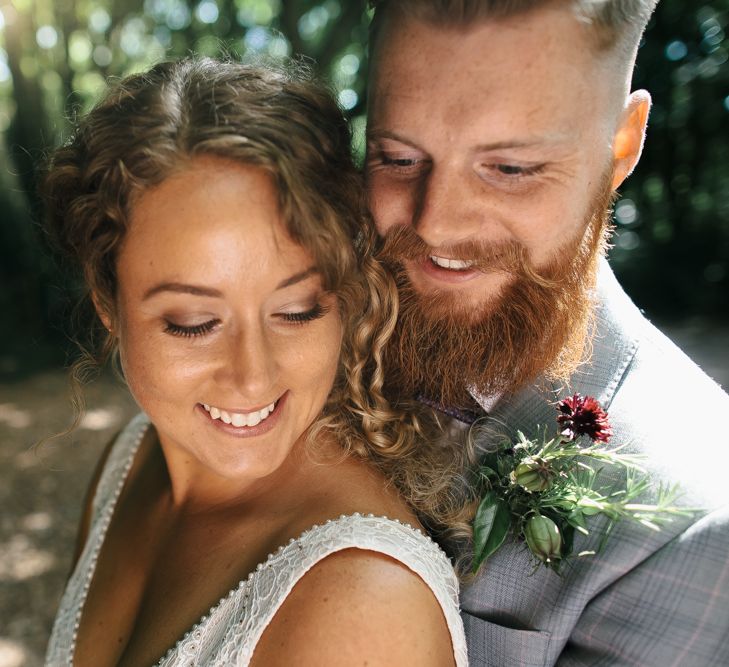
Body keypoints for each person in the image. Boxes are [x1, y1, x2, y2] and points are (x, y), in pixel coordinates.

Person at [42, 58, 470, 666]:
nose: (253, 376)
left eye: (297, 311)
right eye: (194, 323)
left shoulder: (364, 604)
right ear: (108, 306)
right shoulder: (126, 464)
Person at [366, 1, 729, 665]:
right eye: (396, 156)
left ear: (622, 142)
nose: (436, 224)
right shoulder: (300, 330)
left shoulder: (699, 526)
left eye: (509, 169)